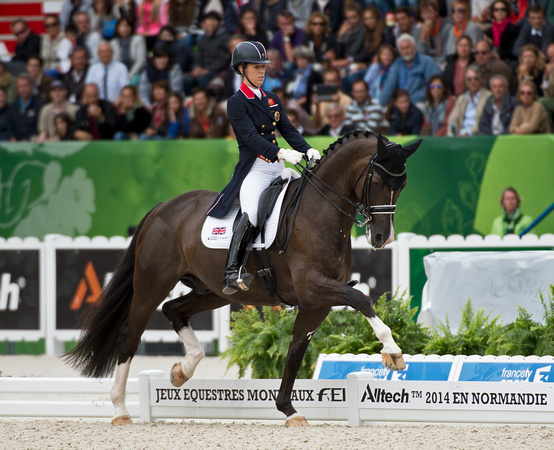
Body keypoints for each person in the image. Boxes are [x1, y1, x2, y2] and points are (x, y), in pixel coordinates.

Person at [206, 41, 320, 295]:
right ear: (242, 70)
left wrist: (307, 149)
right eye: (256, 67)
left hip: (279, 165)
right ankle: (231, 271)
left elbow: (288, 130)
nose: (262, 71)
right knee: (252, 214)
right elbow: (249, 138)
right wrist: (279, 152)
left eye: (263, 67)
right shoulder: (236, 102)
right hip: (256, 168)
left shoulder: (272, 98)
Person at [379, 33, 441, 108]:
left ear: (415, 47)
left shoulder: (427, 62)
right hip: (399, 103)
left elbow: (435, 85)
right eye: (402, 49)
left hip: (419, 102)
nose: (405, 51)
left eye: (408, 47)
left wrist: (414, 98)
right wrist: (380, 104)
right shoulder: (397, 64)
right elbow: (389, 86)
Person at [182, 11, 230, 95]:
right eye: (209, 20)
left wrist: (207, 70)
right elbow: (198, 57)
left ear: (219, 23)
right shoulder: (203, 39)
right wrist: (197, 68)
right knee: (187, 79)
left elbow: (224, 60)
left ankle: (206, 101)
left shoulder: (225, 38)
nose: (211, 23)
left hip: (217, 71)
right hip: (203, 70)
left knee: (203, 79)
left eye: (214, 20)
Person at [447, 64, 492, 136]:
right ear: (466, 82)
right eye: (469, 79)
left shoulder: (488, 96)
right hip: (460, 136)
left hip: (478, 136)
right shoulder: (462, 98)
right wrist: (452, 134)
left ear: (481, 80)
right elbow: (452, 120)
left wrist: (468, 133)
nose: (473, 81)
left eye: (476, 78)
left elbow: (484, 123)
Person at [2, 74, 44, 141]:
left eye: (26, 86)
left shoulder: (40, 104)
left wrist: (28, 139)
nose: (23, 89)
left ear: (32, 86)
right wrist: (11, 137)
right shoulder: (13, 106)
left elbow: (41, 128)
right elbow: (7, 126)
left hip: (34, 142)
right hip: (15, 143)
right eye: (21, 87)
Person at [110, 17, 147, 86]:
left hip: (136, 72)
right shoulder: (113, 43)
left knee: (133, 83)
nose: (125, 28)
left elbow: (141, 60)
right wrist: (122, 75)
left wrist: (130, 75)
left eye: (128, 26)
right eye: (123, 26)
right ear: (118, 28)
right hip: (120, 73)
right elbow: (115, 61)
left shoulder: (138, 39)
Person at [286, 46, 322, 114]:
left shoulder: (314, 74)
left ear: (309, 60)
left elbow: (311, 95)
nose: (301, 62)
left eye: (303, 59)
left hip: (306, 107)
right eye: (298, 59)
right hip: (292, 103)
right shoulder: (295, 73)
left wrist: (296, 104)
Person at [417, 0, 452, 68]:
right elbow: (419, 54)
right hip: (426, 65)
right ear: (421, 16)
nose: (428, 16)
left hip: (442, 63)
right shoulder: (419, 30)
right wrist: (423, 36)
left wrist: (435, 65)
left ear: (437, 12)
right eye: (424, 13)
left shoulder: (447, 28)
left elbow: (447, 52)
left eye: (430, 13)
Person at [484, 0, 518, 68]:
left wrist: (499, 55)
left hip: (507, 60)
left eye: (503, 9)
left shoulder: (512, 29)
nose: (499, 12)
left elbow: (513, 49)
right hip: (491, 59)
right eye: (496, 9)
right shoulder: (490, 30)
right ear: (492, 12)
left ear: (507, 11)